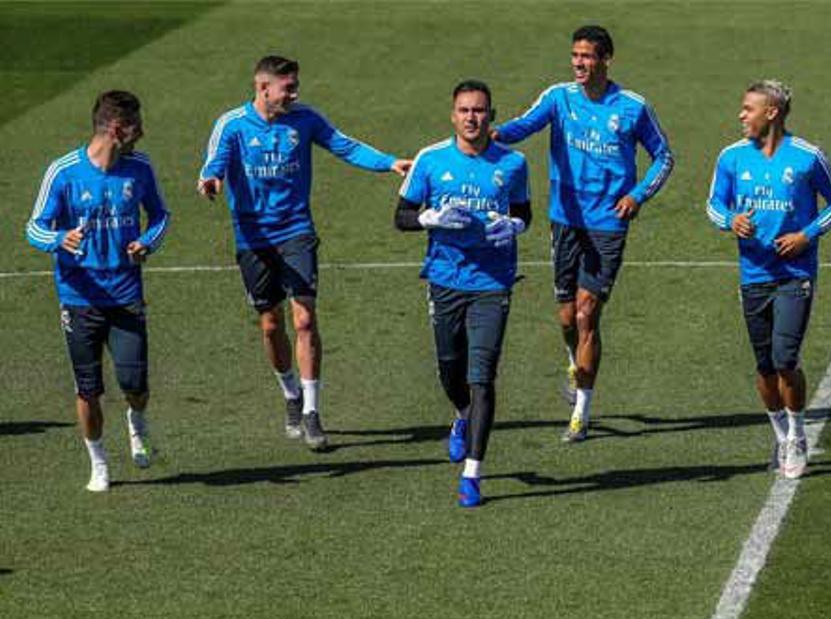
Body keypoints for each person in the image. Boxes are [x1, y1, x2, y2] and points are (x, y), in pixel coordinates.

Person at [198, 55, 409, 449]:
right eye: (287, 88)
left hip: (296, 230)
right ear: (263, 88)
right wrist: (209, 179)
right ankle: (291, 394)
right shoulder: (232, 124)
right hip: (253, 237)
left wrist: (388, 163)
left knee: (305, 318)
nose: (295, 94)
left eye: (295, 86)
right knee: (270, 325)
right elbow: (215, 161)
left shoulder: (305, 119)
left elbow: (344, 145)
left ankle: (312, 412)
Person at [492, 25, 674, 443]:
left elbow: (664, 156)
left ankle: (581, 411)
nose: (579, 63)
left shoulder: (632, 107)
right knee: (565, 317)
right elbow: (524, 125)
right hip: (565, 219)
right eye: (575, 55)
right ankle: (573, 360)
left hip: (608, 222)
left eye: (588, 56)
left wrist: (638, 194)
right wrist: (494, 133)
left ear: (606, 59)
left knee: (586, 313)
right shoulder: (559, 97)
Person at [394, 80, 532, 508]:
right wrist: (431, 218)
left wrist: (513, 227)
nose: (472, 118)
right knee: (450, 370)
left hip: (492, 281)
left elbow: (523, 212)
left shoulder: (513, 163)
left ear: (492, 116)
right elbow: (401, 217)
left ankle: (473, 473)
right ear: (453, 115)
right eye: (465, 111)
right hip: (445, 278)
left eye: (480, 111)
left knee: (482, 377)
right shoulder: (431, 160)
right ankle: (459, 416)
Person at [25, 90, 170, 492]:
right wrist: (60, 238)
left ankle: (136, 423)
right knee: (87, 388)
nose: (142, 132)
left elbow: (160, 215)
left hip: (125, 295)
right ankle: (99, 463)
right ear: (115, 128)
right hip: (78, 298)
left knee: (135, 383)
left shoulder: (139, 168)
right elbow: (34, 227)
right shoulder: (63, 171)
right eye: (136, 125)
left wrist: (148, 242)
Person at [706, 80, 831, 478]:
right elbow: (713, 203)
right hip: (753, 273)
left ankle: (799, 436)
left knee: (786, 358)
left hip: (795, 274)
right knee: (765, 366)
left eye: (748, 109)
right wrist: (729, 220)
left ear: (771, 113)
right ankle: (781, 432)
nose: (741, 115)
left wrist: (807, 234)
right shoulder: (732, 158)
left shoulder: (807, 157)